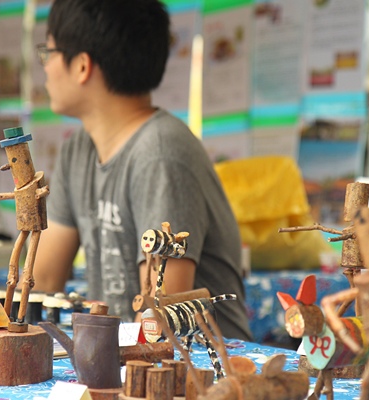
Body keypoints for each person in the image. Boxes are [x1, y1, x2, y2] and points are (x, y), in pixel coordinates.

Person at [32, 0, 253, 341]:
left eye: (48, 53)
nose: (44, 68)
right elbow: (43, 281)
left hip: (200, 371)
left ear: (81, 66)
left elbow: (158, 320)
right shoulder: (79, 148)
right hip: (126, 353)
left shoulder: (160, 154)